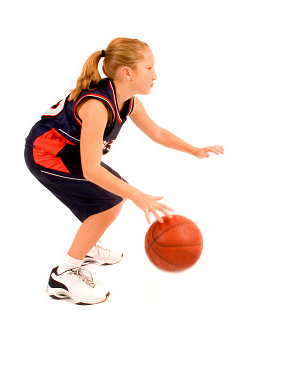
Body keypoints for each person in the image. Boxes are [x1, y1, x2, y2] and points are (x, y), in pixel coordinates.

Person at [24, 37, 224, 304]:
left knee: (111, 195)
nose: (156, 75)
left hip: (69, 153)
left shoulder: (127, 100)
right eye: (150, 68)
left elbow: (157, 132)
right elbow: (92, 169)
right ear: (128, 73)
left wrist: (195, 149)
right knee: (109, 202)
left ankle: (88, 246)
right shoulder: (97, 106)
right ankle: (64, 274)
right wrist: (138, 195)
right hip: (46, 154)